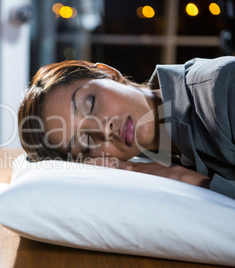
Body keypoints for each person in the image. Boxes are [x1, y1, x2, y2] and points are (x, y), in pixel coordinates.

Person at [18, 56, 235, 200]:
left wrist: (185, 179)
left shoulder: (221, 90)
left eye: (91, 103)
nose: (103, 130)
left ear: (108, 73)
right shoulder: (168, 154)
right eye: (85, 144)